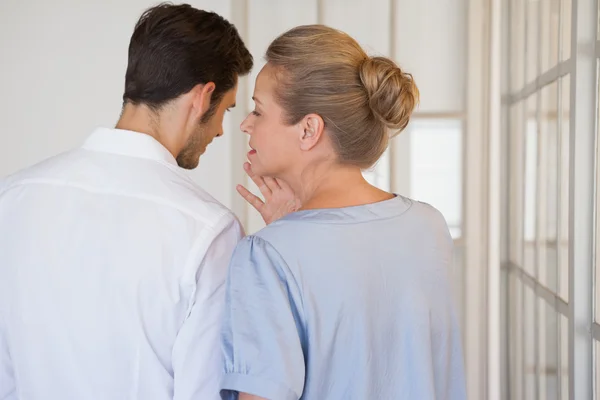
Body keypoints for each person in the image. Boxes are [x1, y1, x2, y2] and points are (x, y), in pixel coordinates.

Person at [0, 4, 252, 399]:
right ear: (203, 97)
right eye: (227, 109)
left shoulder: (13, 198)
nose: (221, 130)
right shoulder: (210, 232)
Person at [220, 25, 467, 400]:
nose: (245, 124)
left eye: (258, 110)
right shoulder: (428, 226)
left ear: (308, 130)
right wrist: (293, 230)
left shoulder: (268, 255)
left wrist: (287, 240)